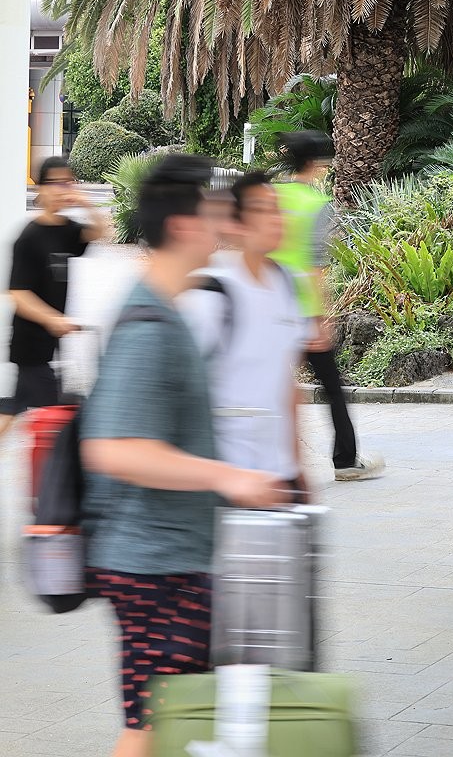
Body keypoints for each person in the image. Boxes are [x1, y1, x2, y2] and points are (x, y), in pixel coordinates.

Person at [80, 155, 286, 757]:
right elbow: (112, 448)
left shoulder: (168, 309)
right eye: (213, 210)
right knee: (151, 725)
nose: (224, 222)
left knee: (169, 720)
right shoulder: (149, 323)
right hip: (150, 563)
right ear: (182, 226)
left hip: (169, 556)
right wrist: (230, 476)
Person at [177, 171, 311, 492]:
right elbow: (177, 384)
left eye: (277, 209)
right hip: (224, 478)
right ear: (237, 224)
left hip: (276, 476)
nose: (276, 219)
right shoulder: (212, 293)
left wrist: (296, 467)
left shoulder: (289, 283)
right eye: (262, 210)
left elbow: (287, 382)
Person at [271, 130, 383, 481]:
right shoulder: (317, 205)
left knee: (268, 385)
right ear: (316, 164)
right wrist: (321, 319)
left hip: (269, 308)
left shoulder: (271, 196)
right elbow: (315, 266)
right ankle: (346, 461)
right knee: (333, 388)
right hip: (303, 312)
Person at [0, 157, 108, 438]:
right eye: (56, 183)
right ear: (41, 188)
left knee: (17, 405)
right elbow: (18, 293)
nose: (62, 189)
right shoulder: (29, 237)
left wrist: (84, 203)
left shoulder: (67, 229)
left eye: (67, 182)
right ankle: (61, 476)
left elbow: (99, 231)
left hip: (50, 345)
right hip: (31, 342)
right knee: (59, 417)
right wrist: (53, 319)